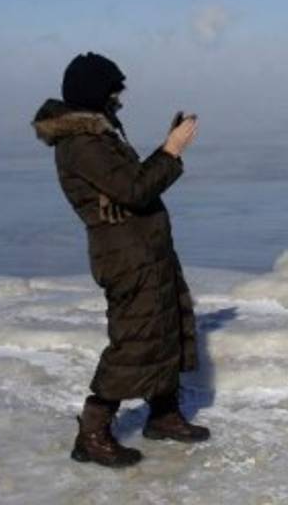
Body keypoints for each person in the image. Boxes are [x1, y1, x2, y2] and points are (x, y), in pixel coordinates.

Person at [32, 52, 209, 468]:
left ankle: (163, 415)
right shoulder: (80, 144)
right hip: (127, 258)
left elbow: (129, 185)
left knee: (164, 328)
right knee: (133, 342)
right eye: (114, 91)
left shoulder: (100, 134)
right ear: (95, 93)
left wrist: (166, 150)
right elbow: (134, 190)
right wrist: (171, 150)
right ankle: (92, 433)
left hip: (145, 249)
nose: (120, 99)